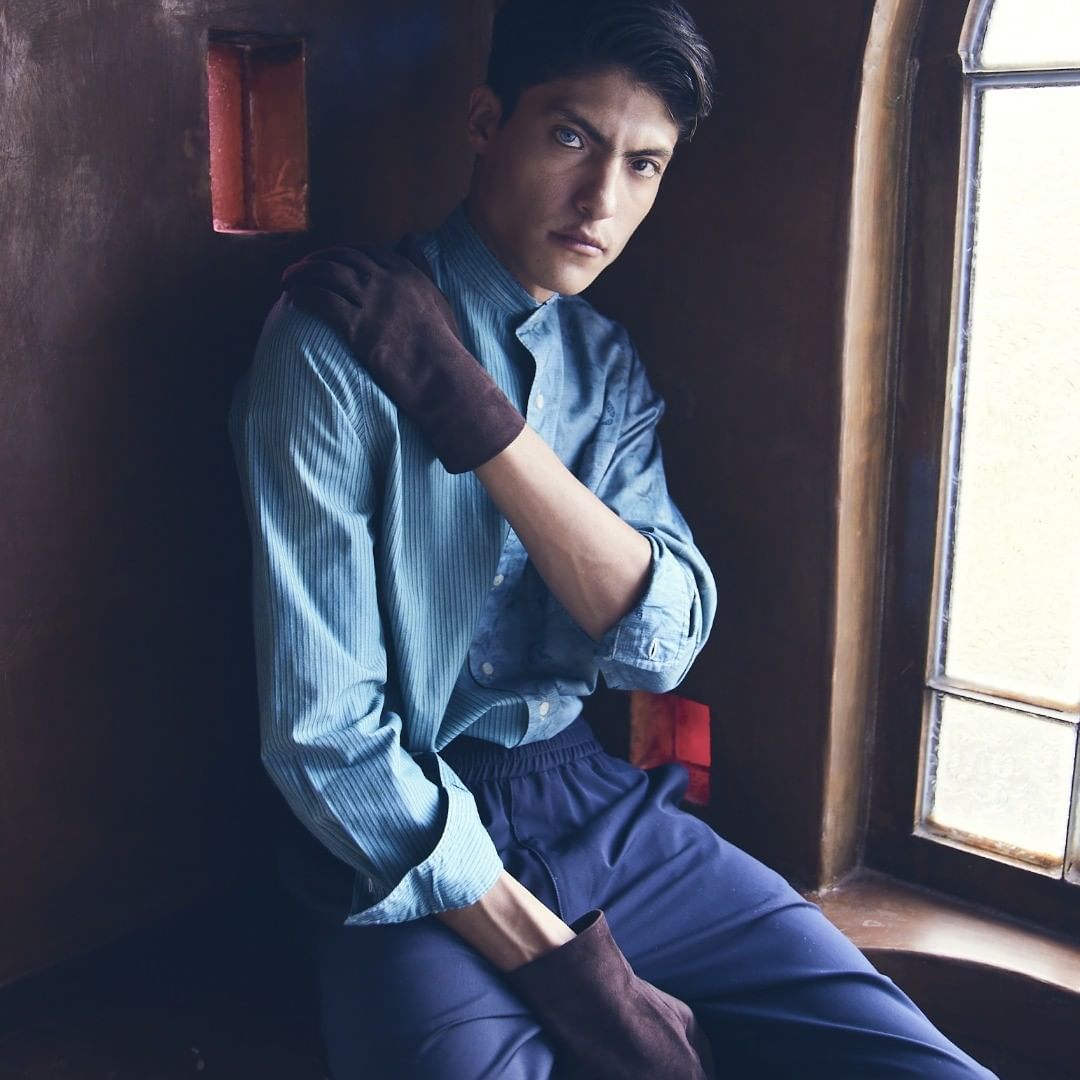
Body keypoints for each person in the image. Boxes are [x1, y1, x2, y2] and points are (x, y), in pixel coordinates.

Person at [228, 1, 998, 1076]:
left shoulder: (604, 365)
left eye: (644, 165)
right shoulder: (331, 343)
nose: (602, 199)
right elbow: (323, 738)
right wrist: (573, 971)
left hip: (595, 803)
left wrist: (484, 426)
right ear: (486, 122)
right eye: (570, 137)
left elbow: (659, 643)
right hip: (395, 841)